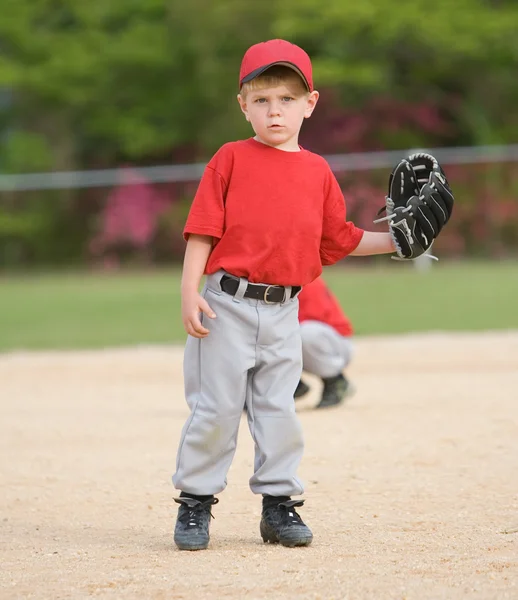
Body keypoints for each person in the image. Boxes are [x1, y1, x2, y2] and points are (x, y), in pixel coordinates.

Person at [173, 38, 398, 552]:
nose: (275, 110)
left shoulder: (317, 170)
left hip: (284, 312)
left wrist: (398, 241)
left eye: (287, 99)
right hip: (225, 305)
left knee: (279, 410)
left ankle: (279, 506)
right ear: (243, 105)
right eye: (262, 99)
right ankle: (195, 504)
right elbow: (202, 231)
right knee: (216, 408)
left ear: (310, 103)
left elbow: (339, 239)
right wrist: (190, 292)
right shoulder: (229, 159)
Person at [295, 276, 355, 409]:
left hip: (335, 344)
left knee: (304, 334)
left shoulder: (307, 278)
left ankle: (335, 380)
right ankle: (288, 387)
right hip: (315, 338)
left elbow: (311, 318)